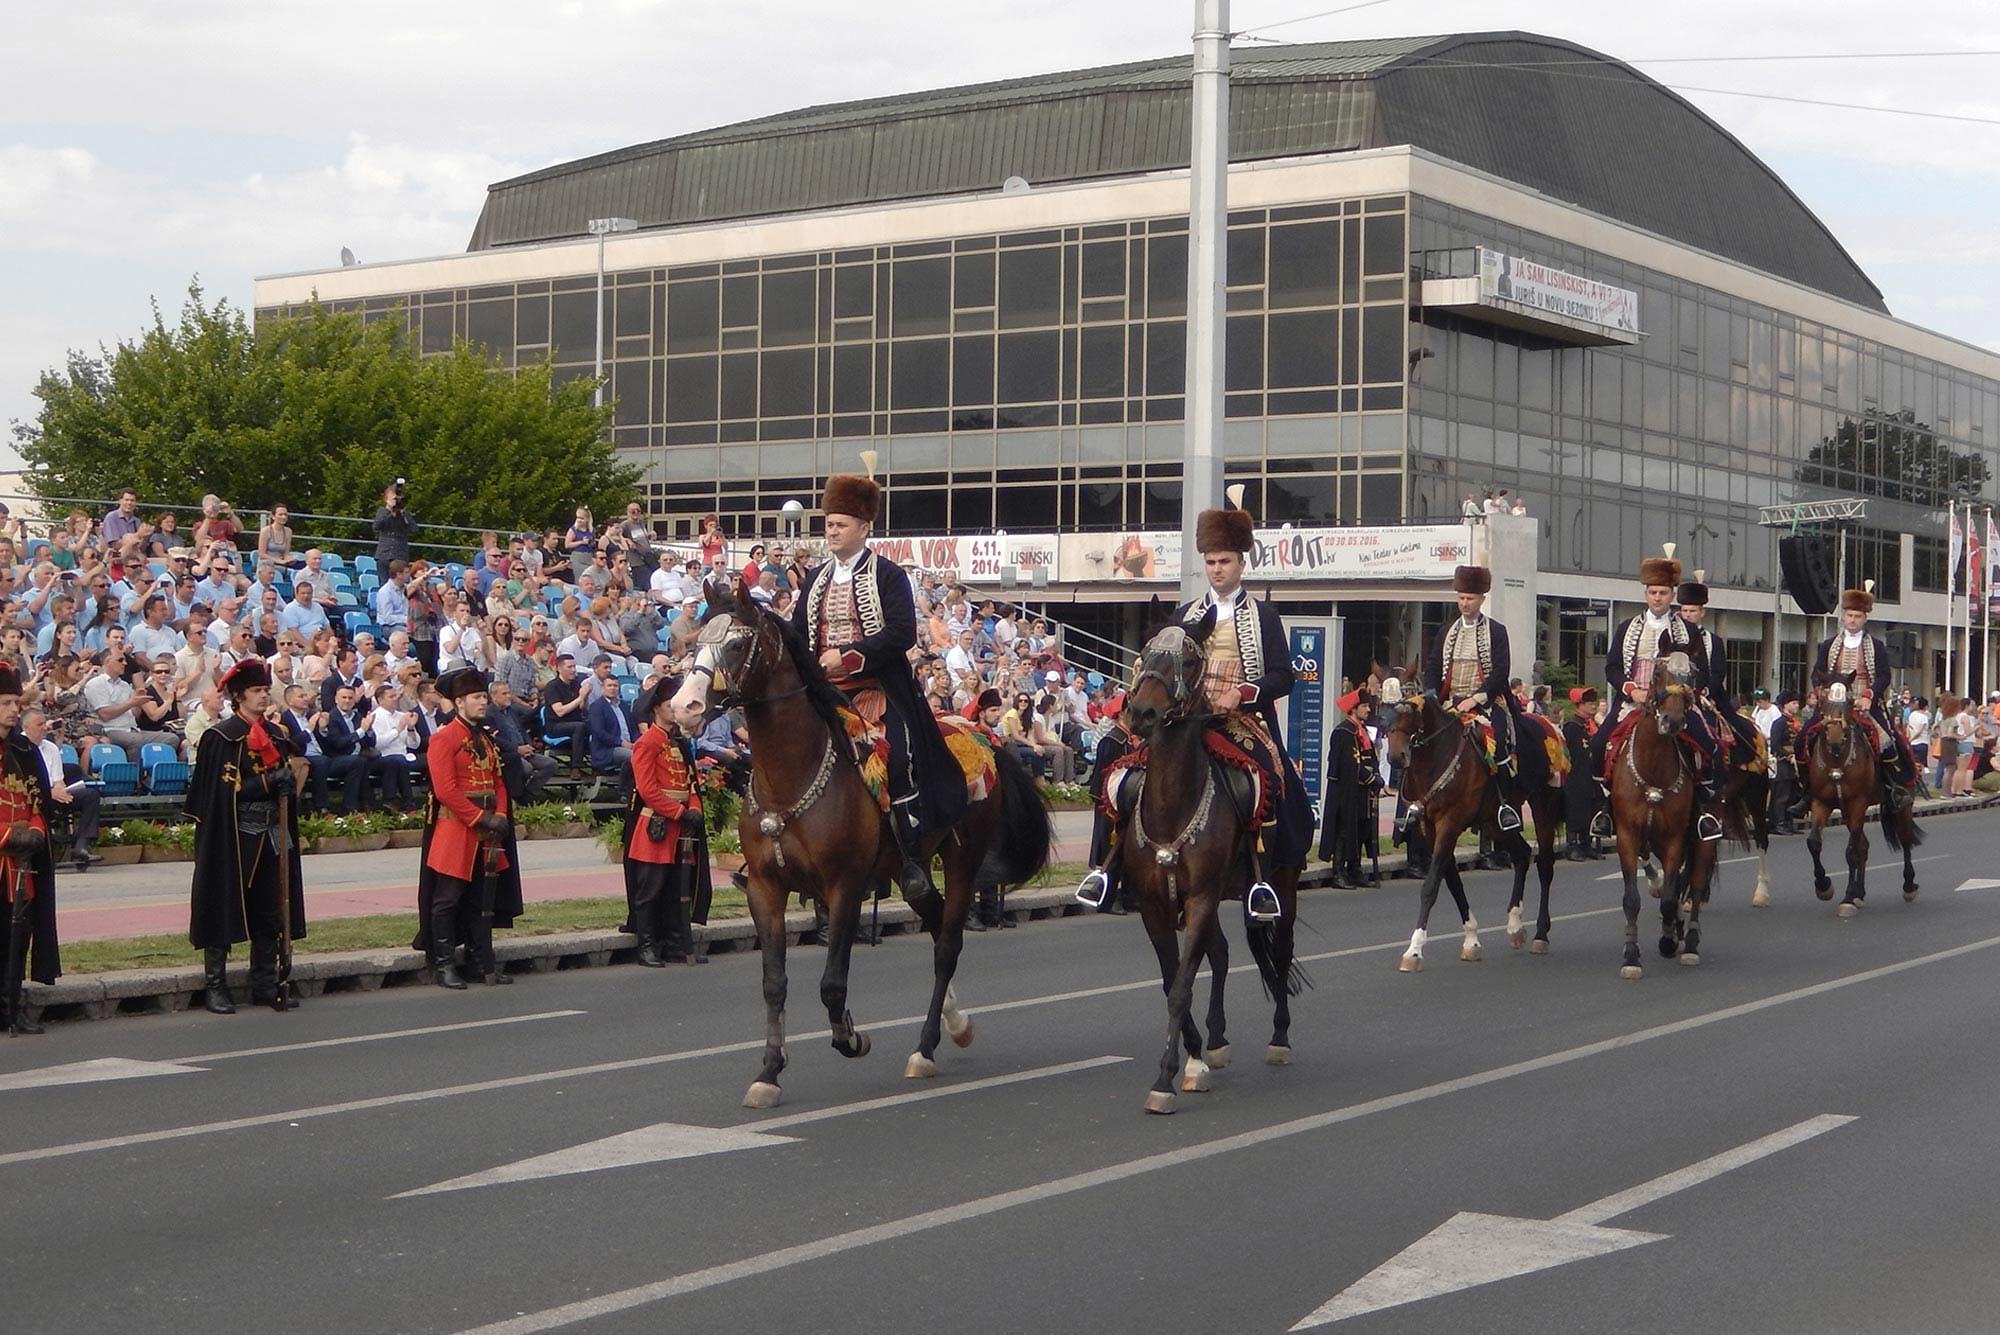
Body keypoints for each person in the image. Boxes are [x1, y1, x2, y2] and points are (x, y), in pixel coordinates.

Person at [781, 468, 964, 916]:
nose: (831, 531)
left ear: (864, 528)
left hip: (876, 686)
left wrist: (848, 656)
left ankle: (909, 860)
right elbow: (799, 630)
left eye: (840, 524)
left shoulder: (888, 574)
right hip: (823, 691)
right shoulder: (816, 578)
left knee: (899, 756)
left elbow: (902, 633)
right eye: (828, 524)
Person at [1165, 497, 1313, 920]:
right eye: (1211, 562)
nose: (1216, 569)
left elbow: (1284, 677)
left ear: (1241, 563)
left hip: (1242, 718)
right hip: (1190, 716)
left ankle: (1263, 876)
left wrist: (1244, 694)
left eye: (1224, 561)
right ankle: (1112, 866)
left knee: (1268, 778)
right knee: (1129, 770)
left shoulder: (1264, 616)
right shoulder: (1184, 614)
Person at [186, 659, 308, 1015]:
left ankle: (265, 983)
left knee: (271, 910)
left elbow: (286, 779)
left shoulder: (277, 734)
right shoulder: (220, 737)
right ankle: (215, 985)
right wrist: (268, 783)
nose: (263, 696)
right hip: (235, 836)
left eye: (265, 690)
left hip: (273, 831)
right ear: (239, 696)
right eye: (256, 691)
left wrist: (289, 781)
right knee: (223, 907)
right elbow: (220, 792)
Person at [1588, 543, 1719, 840]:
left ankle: (1703, 811)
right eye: (1652, 592)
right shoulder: (1626, 627)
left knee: (1708, 745)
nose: (1657, 598)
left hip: (1676, 703)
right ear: (1645, 594)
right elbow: (1612, 668)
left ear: (1672, 595)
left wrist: (1684, 693)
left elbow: (1704, 673)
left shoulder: (1689, 630)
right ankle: (1605, 809)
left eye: (1662, 592)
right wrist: (1631, 689)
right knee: (1597, 745)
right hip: (1634, 703)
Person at [412, 667, 523, 989]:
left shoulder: (486, 737)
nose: (483, 702)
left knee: (482, 897)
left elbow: (498, 781)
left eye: (484, 697)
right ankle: (444, 963)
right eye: (477, 697)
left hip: (488, 828)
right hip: (457, 827)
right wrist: (480, 818)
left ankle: (480, 961)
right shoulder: (444, 738)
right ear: (459, 702)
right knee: (447, 899)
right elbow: (446, 789)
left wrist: (500, 815)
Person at [1418, 564, 1527, 833]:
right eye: (1461, 598)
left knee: (1498, 740)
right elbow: (1432, 667)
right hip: (1449, 701)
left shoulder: (1496, 631)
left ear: (1481, 600)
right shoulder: (1446, 631)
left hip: (1486, 701)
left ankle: (1504, 805)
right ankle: (1417, 804)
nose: (1464, 603)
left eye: (1470, 599)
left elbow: (1501, 672)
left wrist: (1476, 699)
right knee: (1419, 739)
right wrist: (1431, 697)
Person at [622, 679, 710, 966]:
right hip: (656, 826)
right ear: (657, 708)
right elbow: (647, 790)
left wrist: (694, 808)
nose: (675, 708)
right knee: (650, 890)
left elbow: (691, 782)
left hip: (681, 825)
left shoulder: (680, 742)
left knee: (677, 889)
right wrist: (679, 812)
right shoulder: (647, 743)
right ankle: (647, 945)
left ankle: (676, 944)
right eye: (670, 703)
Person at [1809, 581, 1919, 808]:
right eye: (1849, 615)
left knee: (1890, 741)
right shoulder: (1829, 645)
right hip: (1833, 705)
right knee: (1805, 738)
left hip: (1866, 704)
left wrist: (1869, 695)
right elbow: (1817, 673)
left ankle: (1893, 788)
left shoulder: (1876, 646)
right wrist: (1822, 692)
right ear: (1843, 616)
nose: (1852, 620)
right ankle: (1804, 792)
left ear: (1865, 618)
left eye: (1857, 616)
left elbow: (1883, 676)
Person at [0, 669, 60, 1034]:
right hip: (2, 855)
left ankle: (12, 1005)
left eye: (15, 703)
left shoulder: (23, 749)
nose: (12, 710)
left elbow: (37, 802)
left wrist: (35, 831)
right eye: (6, 704)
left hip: (21, 863)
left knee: (17, 937)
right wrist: (6, 835)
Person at [1075, 692, 1136, 915]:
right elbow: (1105, 777)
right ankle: (1109, 899)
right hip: (1111, 805)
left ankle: (1130, 897)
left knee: (1129, 852)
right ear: (1121, 714)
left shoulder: (1130, 739)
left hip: (1128, 804)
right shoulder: (1113, 741)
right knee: (1112, 852)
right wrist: (1110, 804)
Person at [1319, 689, 1383, 888]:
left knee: (1361, 830)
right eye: (1364, 706)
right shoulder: (1344, 732)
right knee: (1343, 831)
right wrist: (1371, 777)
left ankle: (1355, 870)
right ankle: (1338, 872)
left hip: (1363, 792)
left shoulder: (1361, 730)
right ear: (1353, 709)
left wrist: (1376, 777)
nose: (1368, 709)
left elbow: (1369, 758)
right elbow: (1349, 764)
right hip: (1346, 791)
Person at [24, 706, 100, 870]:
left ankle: (82, 845)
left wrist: (60, 790)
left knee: (90, 795)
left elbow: (58, 779)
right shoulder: (19, 747)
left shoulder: (50, 747)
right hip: (30, 796)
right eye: (39, 724)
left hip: (54, 793)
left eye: (45, 723)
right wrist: (48, 792)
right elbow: (21, 780)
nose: (45, 727)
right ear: (26, 727)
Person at [488, 680, 556, 803]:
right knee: (527, 768)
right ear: (494, 696)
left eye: (509, 693)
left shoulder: (512, 710)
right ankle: (519, 796)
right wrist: (517, 750)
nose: (508, 696)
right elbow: (495, 739)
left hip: (525, 749)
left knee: (550, 764)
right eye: (504, 694)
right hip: (508, 754)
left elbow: (522, 730)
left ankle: (527, 794)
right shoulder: (489, 714)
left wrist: (529, 745)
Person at [1560, 687, 1604, 860]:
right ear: (1579, 705)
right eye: (1589, 703)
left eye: (1594, 702)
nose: (1593, 706)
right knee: (1575, 810)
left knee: (1591, 808)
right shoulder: (1572, 727)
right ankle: (1572, 846)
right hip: (1576, 775)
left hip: (1590, 775)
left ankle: (1586, 844)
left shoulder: (1590, 726)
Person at [1768, 691, 1803, 834]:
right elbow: (1775, 746)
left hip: (1795, 765)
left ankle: (1788, 822)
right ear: (1785, 705)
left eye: (1797, 703)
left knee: (1792, 795)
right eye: (1793, 703)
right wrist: (1789, 755)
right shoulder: (1779, 723)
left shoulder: (1794, 723)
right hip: (1783, 764)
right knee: (1781, 795)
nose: (1797, 706)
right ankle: (1778, 824)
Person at [373, 483, 414, 568]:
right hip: (384, 554)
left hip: (400, 555)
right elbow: (376, 526)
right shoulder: (382, 512)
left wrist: (403, 512)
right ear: (386, 500)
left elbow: (414, 528)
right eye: (393, 499)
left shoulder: (404, 514)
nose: (396, 501)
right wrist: (389, 512)